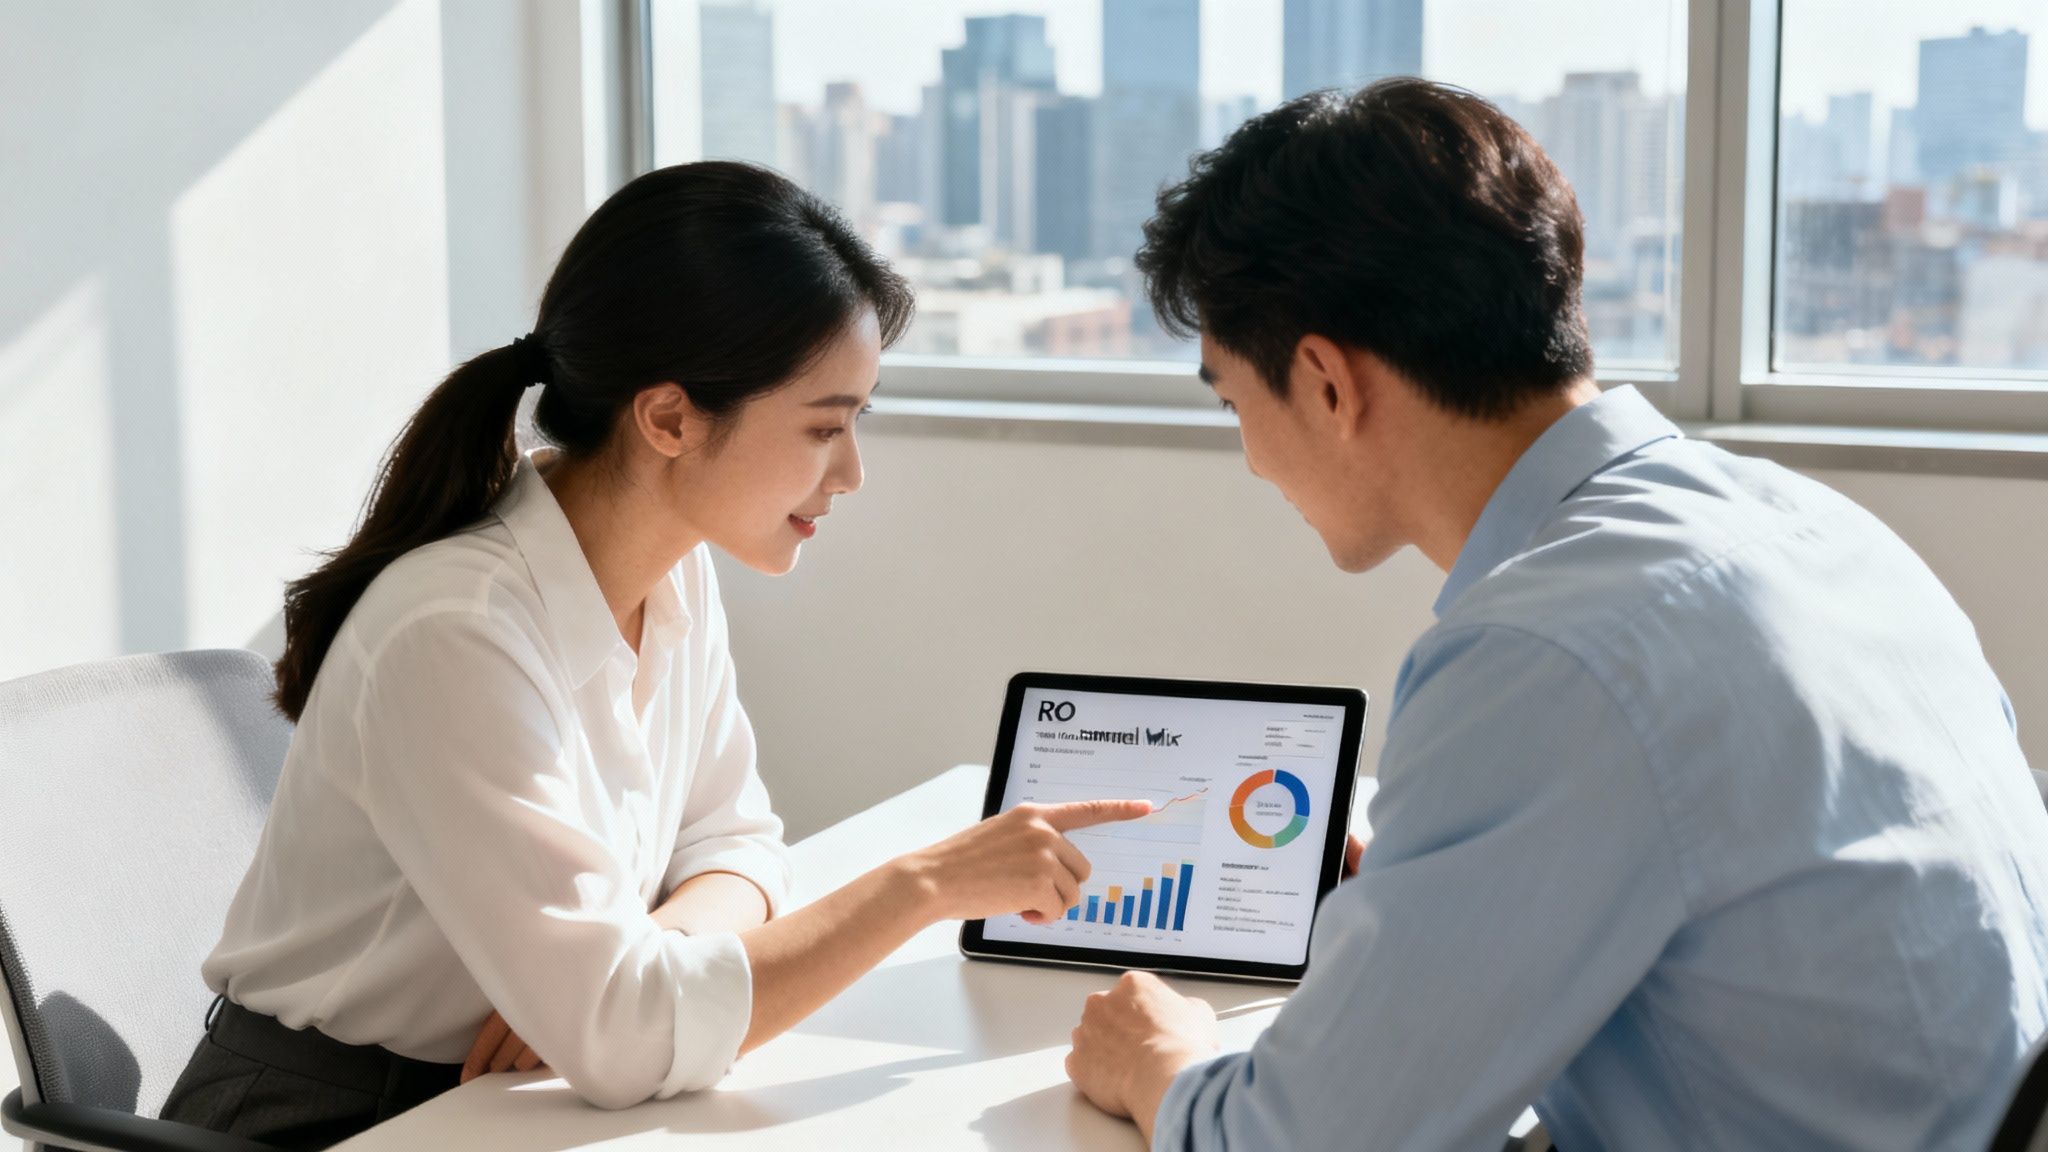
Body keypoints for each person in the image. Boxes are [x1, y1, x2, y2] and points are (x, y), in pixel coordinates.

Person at [1063, 78, 2048, 1151]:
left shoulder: (1546, 650)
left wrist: (1160, 1061)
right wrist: (1440, 890)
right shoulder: (1815, 528)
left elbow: (1301, 1140)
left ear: (1323, 382)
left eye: (1229, 403)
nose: (1248, 458)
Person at [159, 161, 1148, 1150]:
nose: (850, 472)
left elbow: (737, 845)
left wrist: (640, 964)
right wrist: (921, 888)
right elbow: (625, 1042)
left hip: (504, 1106)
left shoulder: (670, 576)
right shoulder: (455, 631)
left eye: (858, 422)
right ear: (669, 418)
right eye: (823, 427)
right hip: (332, 1123)